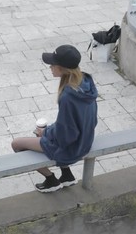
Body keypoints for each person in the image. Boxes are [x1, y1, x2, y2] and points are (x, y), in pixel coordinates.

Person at [11, 45, 98, 193]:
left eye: (53, 64)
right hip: (86, 140)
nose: (50, 67)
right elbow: (80, 123)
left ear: (62, 68)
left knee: (17, 144)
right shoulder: (85, 82)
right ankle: (67, 175)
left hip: (73, 148)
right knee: (44, 131)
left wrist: (46, 134)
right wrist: (49, 131)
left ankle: (51, 180)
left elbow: (66, 136)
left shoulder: (68, 97)